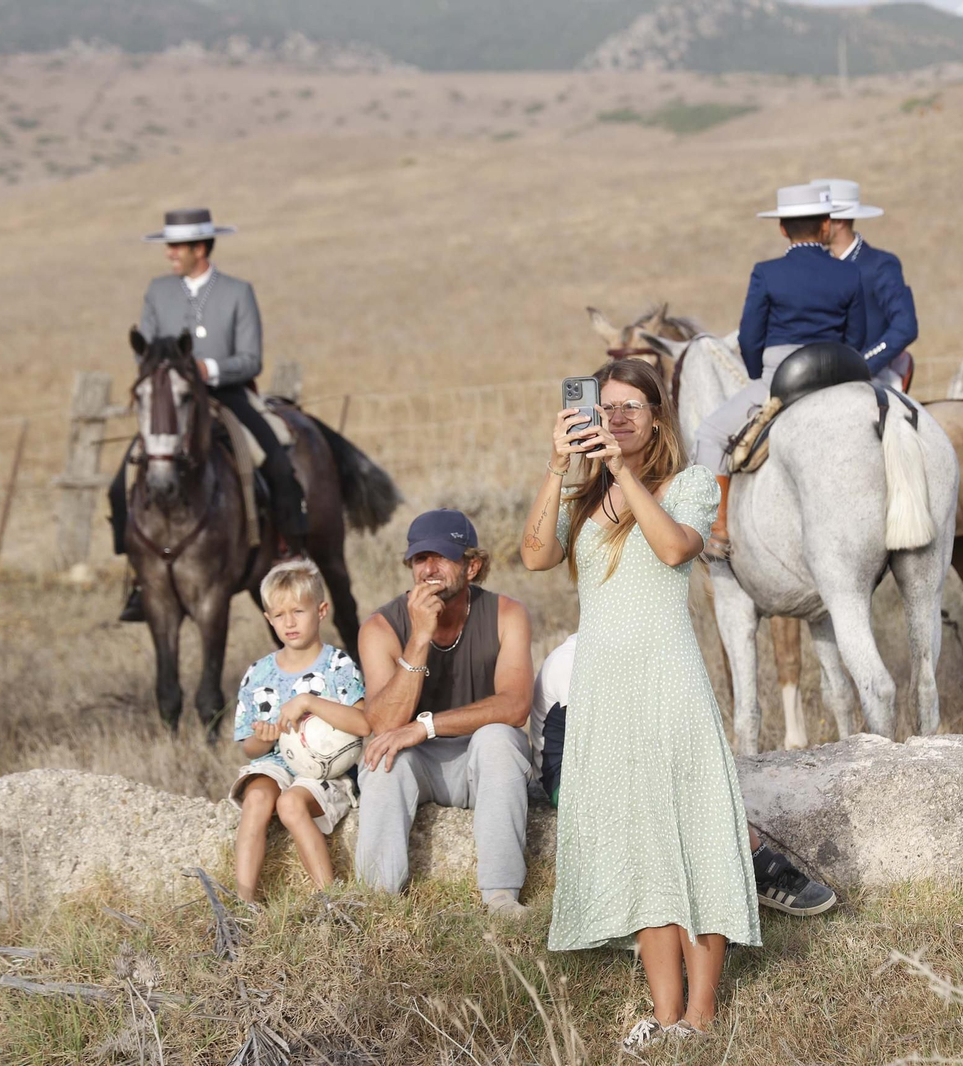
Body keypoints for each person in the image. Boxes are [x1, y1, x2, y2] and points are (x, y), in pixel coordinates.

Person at [521, 357, 760, 1051]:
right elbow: (535, 557)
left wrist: (624, 473)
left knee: (693, 834)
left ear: (657, 417)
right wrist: (559, 465)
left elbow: (676, 549)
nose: (618, 417)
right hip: (604, 688)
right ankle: (665, 1012)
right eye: (607, 406)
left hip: (668, 681)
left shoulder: (689, 484)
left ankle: (702, 1017)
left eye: (633, 406)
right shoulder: (582, 493)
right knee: (640, 844)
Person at [532, 633, 837, 917]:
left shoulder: (636, 653)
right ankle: (750, 874)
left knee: (695, 771)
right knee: (662, 785)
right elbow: (604, 749)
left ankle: (752, 870)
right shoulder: (569, 662)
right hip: (569, 775)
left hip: (618, 761)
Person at [111, 207, 307, 622]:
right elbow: (145, 354)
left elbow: (251, 359)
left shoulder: (238, 292)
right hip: (172, 404)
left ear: (199, 248)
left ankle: (286, 550)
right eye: (169, 246)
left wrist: (208, 369)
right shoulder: (157, 291)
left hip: (227, 394)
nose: (169, 253)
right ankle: (140, 576)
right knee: (120, 482)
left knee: (275, 459)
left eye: (176, 247)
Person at [354, 509, 535, 919]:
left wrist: (426, 726)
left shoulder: (507, 614)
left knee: (498, 739)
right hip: (420, 765)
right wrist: (419, 637)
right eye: (420, 559)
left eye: (441, 557)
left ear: (471, 566)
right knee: (383, 757)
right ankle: (377, 905)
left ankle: (501, 898)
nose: (429, 569)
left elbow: (515, 705)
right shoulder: (381, 627)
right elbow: (382, 724)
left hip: (480, 761)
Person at [693, 184, 866, 557]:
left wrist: (760, 374)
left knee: (710, 434)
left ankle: (717, 530)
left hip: (781, 379)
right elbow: (857, 338)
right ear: (826, 225)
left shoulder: (767, 273)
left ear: (783, 228)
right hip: (838, 378)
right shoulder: (850, 274)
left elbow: (750, 336)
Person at [229, 558, 367, 902]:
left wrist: (308, 702)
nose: (289, 622)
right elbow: (249, 748)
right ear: (268, 618)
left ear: (321, 611)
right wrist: (263, 739)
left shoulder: (338, 665)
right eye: (279, 615)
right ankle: (243, 903)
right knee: (257, 798)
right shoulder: (258, 674)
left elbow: (363, 723)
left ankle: (331, 900)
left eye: (298, 611)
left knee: (290, 804)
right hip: (275, 764)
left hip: (326, 770)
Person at [814, 177, 917, 391]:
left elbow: (905, 326)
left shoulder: (880, 265)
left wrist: (862, 364)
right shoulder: (816, 265)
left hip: (874, 379)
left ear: (839, 221)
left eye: (818, 218)